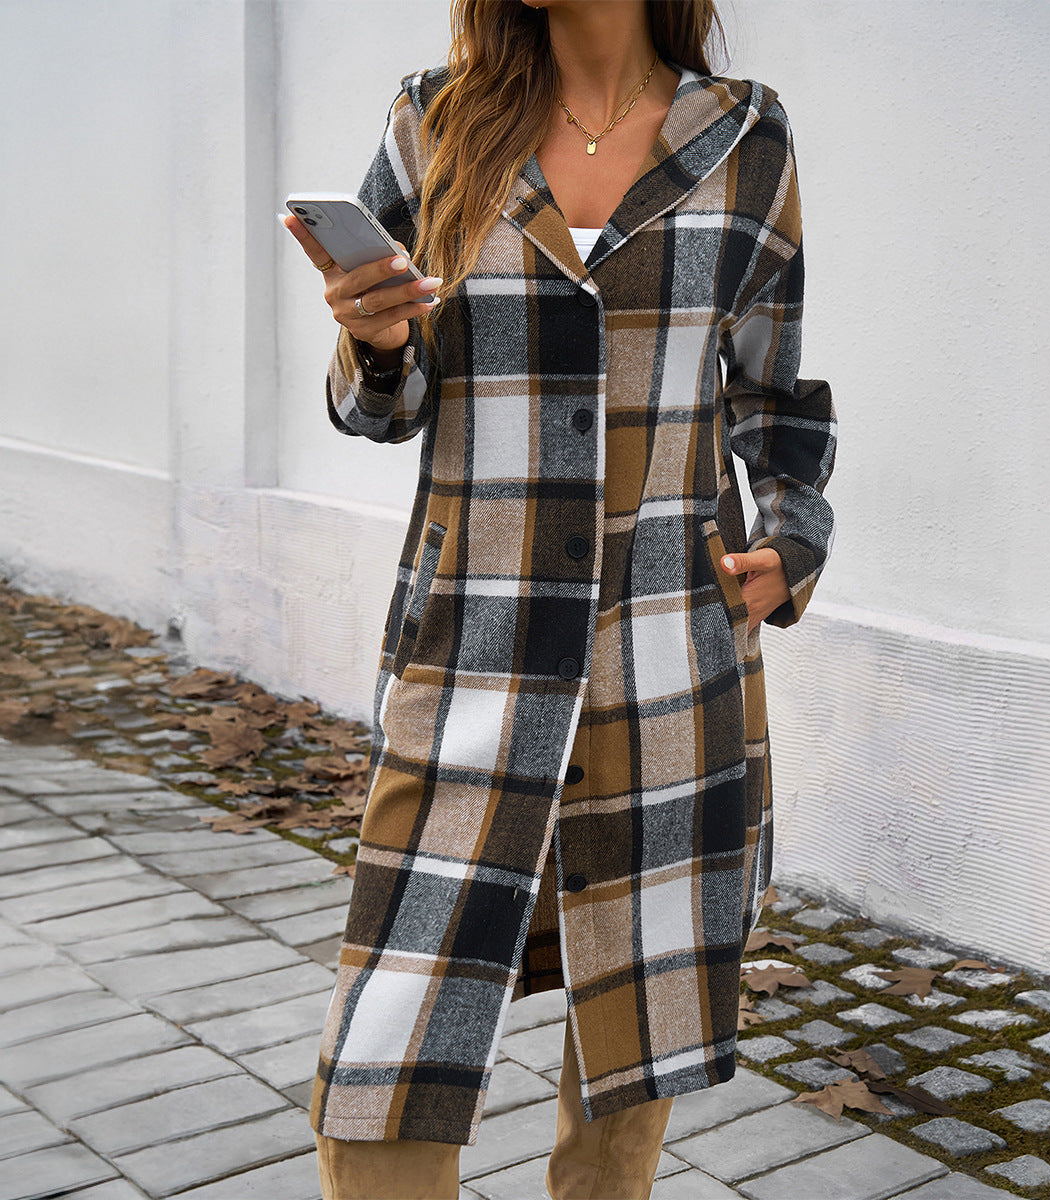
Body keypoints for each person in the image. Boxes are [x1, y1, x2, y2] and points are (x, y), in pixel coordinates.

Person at [282, 1, 836, 1196]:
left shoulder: (746, 138)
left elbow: (778, 399)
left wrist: (792, 542)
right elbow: (383, 406)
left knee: (627, 1082)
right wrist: (375, 344)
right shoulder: (434, 125)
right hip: (469, 654)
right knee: (379, 1078)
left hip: (671, 662)